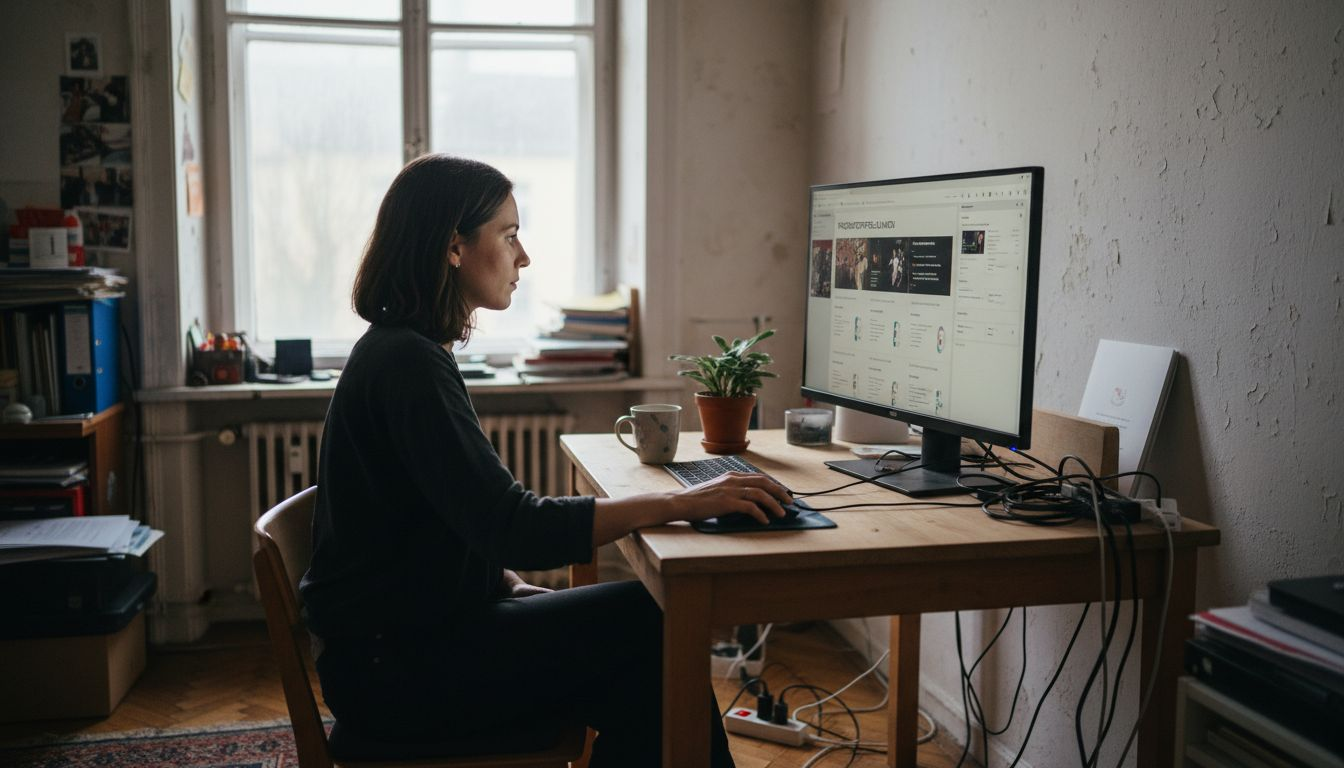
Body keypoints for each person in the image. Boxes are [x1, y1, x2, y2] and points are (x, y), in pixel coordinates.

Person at [299, 155, 790, 767]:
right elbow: (515, 525)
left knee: (637, 661)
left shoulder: (403, 351)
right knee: (648, 625)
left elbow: (442, 522)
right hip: (396, 674)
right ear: (454, 247)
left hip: (398, 646)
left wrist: (505, 584)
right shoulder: (408, 365)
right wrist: (681, 502)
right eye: (508, 236)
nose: (522, 256)